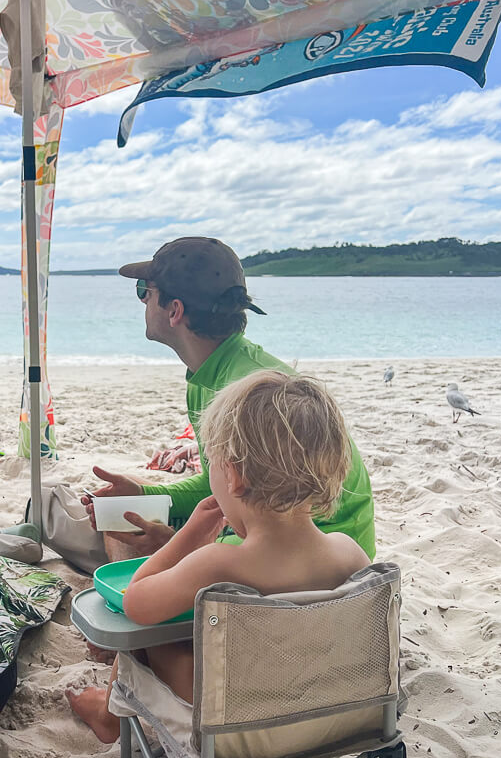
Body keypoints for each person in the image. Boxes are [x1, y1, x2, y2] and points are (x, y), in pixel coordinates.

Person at [69, 370, 371, 742]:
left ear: (233, 477)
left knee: (147, 637)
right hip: (329, 714)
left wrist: (188, 537)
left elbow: (136, 601)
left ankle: (108, 717)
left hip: (236, 723)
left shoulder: (217, 563)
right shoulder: (350, 554)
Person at [83, 236, 376, 559]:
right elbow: (221, 488)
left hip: (320, 552)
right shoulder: (210, 374)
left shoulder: (253, 396)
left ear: (175, 310)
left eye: (144, 292)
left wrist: (177, 548)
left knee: (130, 547)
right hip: (277, 532)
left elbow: (284, 526)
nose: (142, 301)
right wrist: (144, 492)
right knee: (129, 515)